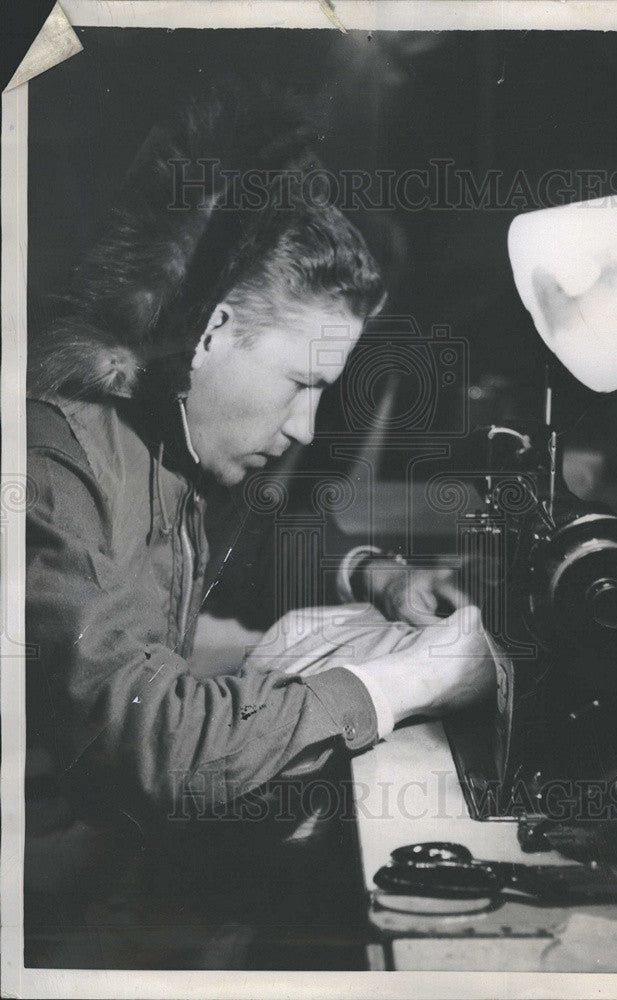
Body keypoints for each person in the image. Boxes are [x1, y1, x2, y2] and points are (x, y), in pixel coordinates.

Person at [24, 91, 493, 968]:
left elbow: (250, 546)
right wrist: (394, 686)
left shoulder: (163, 435)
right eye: (298, 384)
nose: (307, 430)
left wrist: (371, 577)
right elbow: (153, 742)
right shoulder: (56, 468)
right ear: (213, 332)